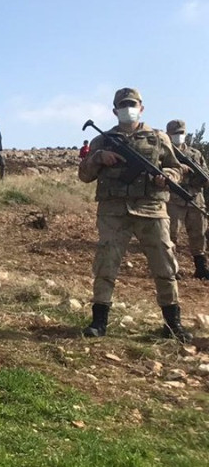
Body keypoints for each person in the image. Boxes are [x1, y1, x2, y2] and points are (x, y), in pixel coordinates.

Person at [78, 88, 191, 341]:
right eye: (123, 105)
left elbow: (176, 167)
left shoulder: (159, 138)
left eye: (132, 104)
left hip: (152, 209)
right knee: (106, 263)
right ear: (115, 110)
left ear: (142, 108)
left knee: (164, 265)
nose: (128, 109)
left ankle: (173, 324)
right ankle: (99, 322)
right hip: (113, 211)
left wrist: (168, 177)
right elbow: (84, 175)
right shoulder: (103, 140)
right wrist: (98, 157)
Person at [165, 119, 209, 280]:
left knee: (199, 232)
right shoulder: (166, 153)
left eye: (181, 133)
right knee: (171, 234)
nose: (179, 136)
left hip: (196, 198)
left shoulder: (195, 154)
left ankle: (201, 267)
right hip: (174, 199)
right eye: (175, 133)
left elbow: (204, 174)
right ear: (168, 134)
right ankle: (171, 268)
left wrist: (198, 177)